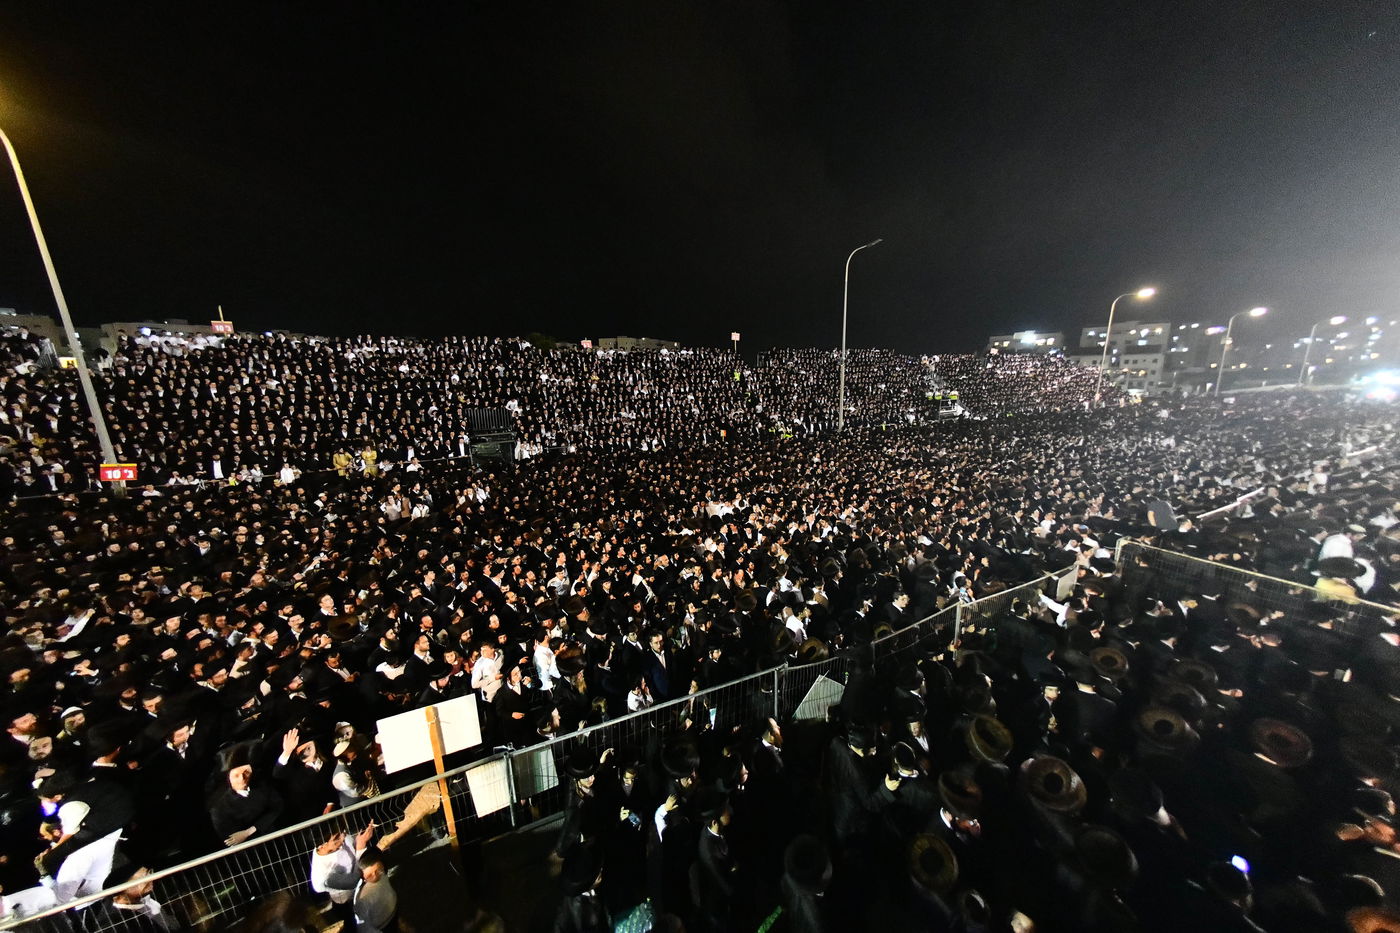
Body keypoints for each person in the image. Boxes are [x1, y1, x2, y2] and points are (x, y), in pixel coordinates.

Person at [309, 822, 375, 922]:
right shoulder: (323, 876)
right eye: (336, 838)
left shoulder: (341, 839)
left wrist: (360, 838)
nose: (343, 837)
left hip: (364, 885)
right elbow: (353, 882)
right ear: (322, 846)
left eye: (341, 833)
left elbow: (353, 842)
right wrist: (360, 848)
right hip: (347, 900)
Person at [354, 846, 398, 933]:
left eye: (378, 870)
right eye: (369, 875)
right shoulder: (362, 898)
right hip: (382, 926)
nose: (375, 876)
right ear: (362, 875)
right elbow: (364, 928)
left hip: (392, 913)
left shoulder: (382, 874)